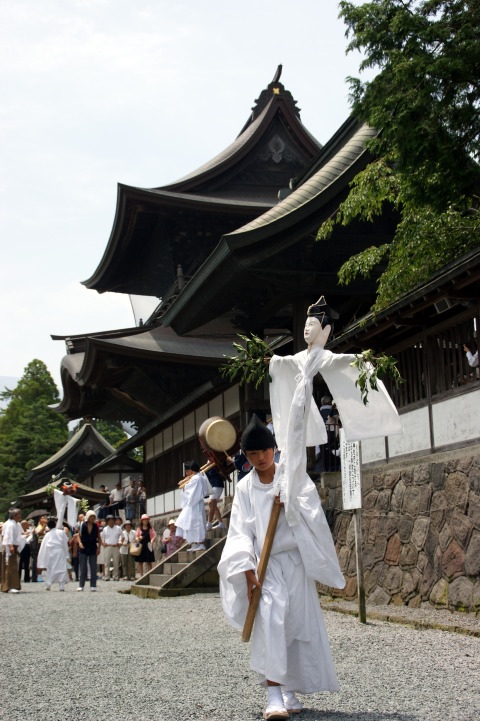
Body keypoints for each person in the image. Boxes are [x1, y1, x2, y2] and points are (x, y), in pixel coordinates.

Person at [218, 417, 345, 719]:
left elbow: (313, 513)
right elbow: (239, 533)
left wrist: (290, 502)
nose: (260, 458)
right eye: (252, 454)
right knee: (272, 623)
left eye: (265, 451)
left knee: (296, 624)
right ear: (245, 457)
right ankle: (273, 694)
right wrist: (249, 575)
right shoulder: (247, 488)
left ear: (274, 450)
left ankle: (289, 689)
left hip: (295, 562)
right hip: (265, 565)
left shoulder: (291, 479)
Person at [175, 461, 209, 551]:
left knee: (197, 524)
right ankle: (196, 543)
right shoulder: (202, 477)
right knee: (193, 524)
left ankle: (200, 543)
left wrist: (184, 487)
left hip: (195, 504)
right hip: (198, 503)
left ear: (192, 470)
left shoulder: (196, 478)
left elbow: (190, 490)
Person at [36, 518, 69, 591]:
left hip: (50, 552)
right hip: (60, 551)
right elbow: (65, 542)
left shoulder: (48, 534)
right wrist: (66, 554)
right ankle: (61, 585)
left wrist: (43, 556)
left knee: (50, 568)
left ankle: (49, 585)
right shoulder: (61, 532)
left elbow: (44, 545)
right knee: (61, 568)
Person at [1, 508, 25, 593]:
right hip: (10, 547)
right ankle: (10, 586)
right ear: (14, 516)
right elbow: (7, 536)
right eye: (19, 514)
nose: (20, 516)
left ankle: (10, 585)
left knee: (13, 566)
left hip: (13, 546)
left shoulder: (15, 524)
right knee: (11, 567)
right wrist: (10, 546)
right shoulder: (10, 524)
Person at [77, 510, 100, 591]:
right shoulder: (82, 525)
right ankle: (81, 585)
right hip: (84, 547)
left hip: (93, 547)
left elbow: (99, 537)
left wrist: (99, 547)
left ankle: (93, 585)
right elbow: (78, 536)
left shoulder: (96, 526)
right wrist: (80, 543)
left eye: (93, 516)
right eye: (91, 516)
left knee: (93, 567)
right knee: (83, 567)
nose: (92, 518)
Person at [101, 515, 123, 581]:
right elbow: (100, 537)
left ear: (114, 521)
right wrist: (103, 544)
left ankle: (115, 576)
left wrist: (120, 543)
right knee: (107, 562)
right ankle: (107, 576)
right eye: (109, 520)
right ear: (107, 521)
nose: (111, 521)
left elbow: (123, 536)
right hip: (107, 546)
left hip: (115, 546)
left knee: (116, 562)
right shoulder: (105, 529)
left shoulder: (118, 528)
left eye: (112, 520)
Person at [205, 466, 226, 531]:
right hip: (212, 485)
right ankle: (221, 523)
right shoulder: (208, 462)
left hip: (218, 484)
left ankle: (209, 523)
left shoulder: (216, 459)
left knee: (211, 502)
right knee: (212, 504)